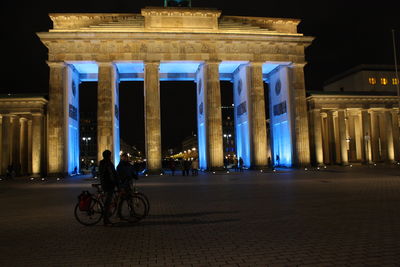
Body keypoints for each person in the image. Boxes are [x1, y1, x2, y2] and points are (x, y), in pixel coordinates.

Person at [98, 150, 118, 226]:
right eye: (110, 155)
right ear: (108, 156)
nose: (111, 156)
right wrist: (116, 182)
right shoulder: (107, 163)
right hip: (108, 185)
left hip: (107, 184)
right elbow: (112, 174)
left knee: (108, 202)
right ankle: (106, 220)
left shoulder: (103, 163)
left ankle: (107, 216)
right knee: (107, 203)